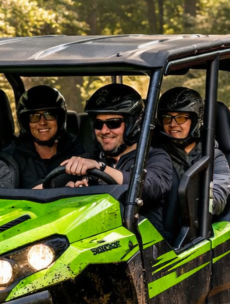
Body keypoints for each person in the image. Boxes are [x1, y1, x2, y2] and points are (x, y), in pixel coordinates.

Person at [60, 84, 176, 237]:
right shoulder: (88, 159)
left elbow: (148, 186)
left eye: (113, 123)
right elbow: (41, 189)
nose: (104, 131)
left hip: (142, 245)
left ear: (133, 125)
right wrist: (67, 192)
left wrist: (100, 168)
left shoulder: (156, 157)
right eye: (98, 124)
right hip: (92, 240)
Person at [154, 87, 230, 215]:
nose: (172, 124)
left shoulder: (214, 156)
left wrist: (195, 192)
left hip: (195, 228)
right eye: (167, 118)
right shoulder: (155, 153)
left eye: (180, 118)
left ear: (196, 120)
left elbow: (216, 203)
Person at [2, 85, 85, 188]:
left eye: (49, 115)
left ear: (59, 119)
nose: (42, 122)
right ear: (26, 122)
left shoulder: (78, 149)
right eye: (34, 116)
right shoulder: (11, 155)